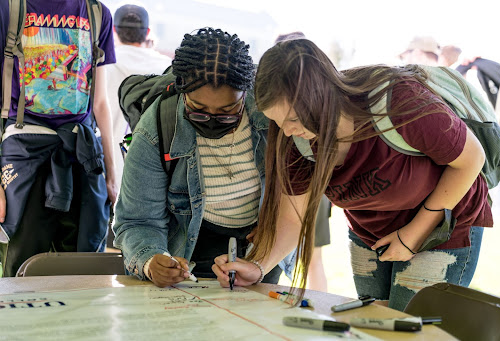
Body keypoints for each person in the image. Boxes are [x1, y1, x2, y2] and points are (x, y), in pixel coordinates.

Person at [213, 38, 492, 311]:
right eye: (278, 122)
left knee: (410, 329)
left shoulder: (399, 101)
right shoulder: (294, 138)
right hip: (370, 231)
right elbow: (292, 218)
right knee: (375, 325)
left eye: (294, 120)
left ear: (320, 95)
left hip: (442, 225)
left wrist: (412, 235)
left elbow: (471, 160)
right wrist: (258, 266)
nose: (287, 132)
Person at [112, 28, 286, 287]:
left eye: (228, 111)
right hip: (185, 250)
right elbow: (137, 219)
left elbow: (298, 191)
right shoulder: (157, 128)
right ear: (182, 91)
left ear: (246, 93)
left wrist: (275, 223)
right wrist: (151, 261)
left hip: (260, 249)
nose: (213, 120)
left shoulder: (270, 114)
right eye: (199, 111)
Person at [0, 0, 117, 276]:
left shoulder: (97, 13)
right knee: (22, 269)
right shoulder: (10, 8)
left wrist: (111, 174)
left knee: (85, 267)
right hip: (26, 152)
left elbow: (100, 102)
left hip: (82, 151)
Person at [273, 31, 332, 292]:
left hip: (317, 186)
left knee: (311, 258)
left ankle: (317, 314)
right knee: (310, 259)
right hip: (299, 186)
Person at [106, 4, 172, 191]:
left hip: (109, 173)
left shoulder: (104, 65)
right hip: (155, 174)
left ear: (114, 31)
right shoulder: (167, 68)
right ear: (148, 32)